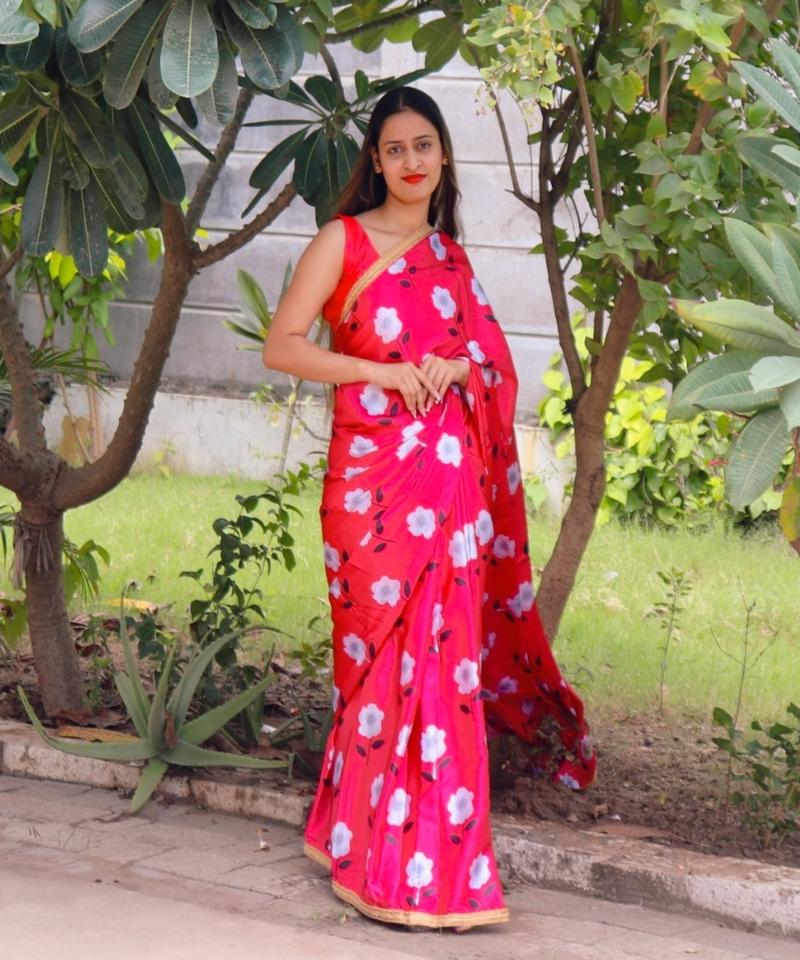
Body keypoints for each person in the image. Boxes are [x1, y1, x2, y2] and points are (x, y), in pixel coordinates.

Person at [262, 86, 595, 930]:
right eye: (395, 149)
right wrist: (377, 371)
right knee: (373, 668)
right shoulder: (342, 242)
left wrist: (459, 370)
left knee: (441, 670)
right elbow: (283, 347)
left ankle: (428, 871)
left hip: (447, 494)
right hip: (369, 490)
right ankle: (359, 842)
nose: (412, 162)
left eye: (425, 146)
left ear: (443, 156)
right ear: (375, 162)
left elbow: (492, 366)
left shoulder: (450, 257)